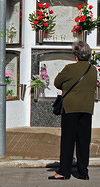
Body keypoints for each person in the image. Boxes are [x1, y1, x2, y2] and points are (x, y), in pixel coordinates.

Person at [48, 41, 96, 180]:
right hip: (87, 108)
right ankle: (83, 172)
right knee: (83, 141)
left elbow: (57, 83)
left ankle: (64, 171)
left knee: (68, 140)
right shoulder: (92, 69)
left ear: (76, 55)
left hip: (70, 108)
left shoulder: (69, 68)